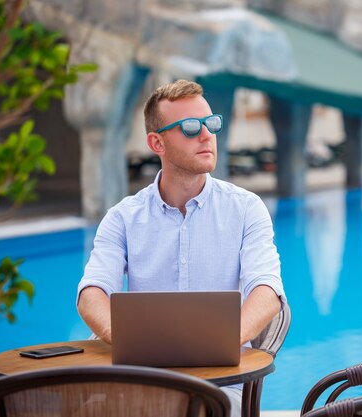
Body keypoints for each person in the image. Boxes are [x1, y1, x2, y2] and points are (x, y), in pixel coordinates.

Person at [76, 79, 286, 417]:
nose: (206, 135)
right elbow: (92, 292)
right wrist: (131, 340)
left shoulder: (247, 209)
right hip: (141, 381)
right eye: (190, 128)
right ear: (156, 142)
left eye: (211, 124)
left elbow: (266, 290)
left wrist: (213, 345)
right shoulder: (123, 218)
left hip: (222, 386)